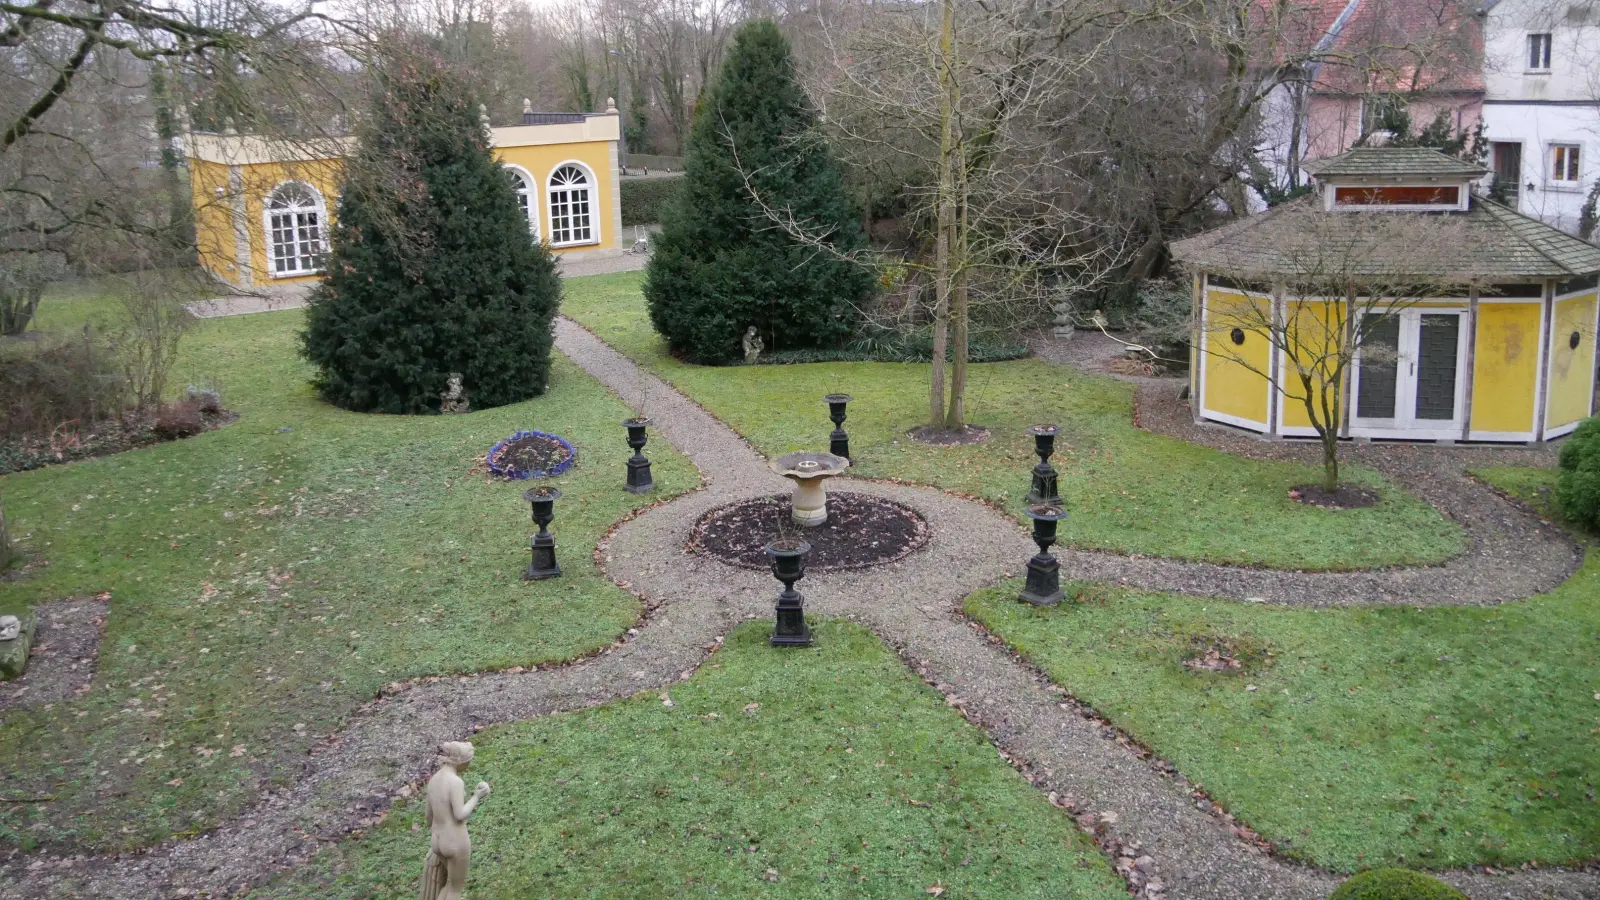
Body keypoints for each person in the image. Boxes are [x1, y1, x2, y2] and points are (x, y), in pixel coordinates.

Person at [420, 741, 491, 900]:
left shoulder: (434, 780)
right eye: (469, 760)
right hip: (455, 840)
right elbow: (460, 814)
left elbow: (428, 816)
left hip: (437, 840)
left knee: (448, 885)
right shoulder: (456, 782)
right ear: (460, 761)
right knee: (454, 889)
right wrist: (477, 796)